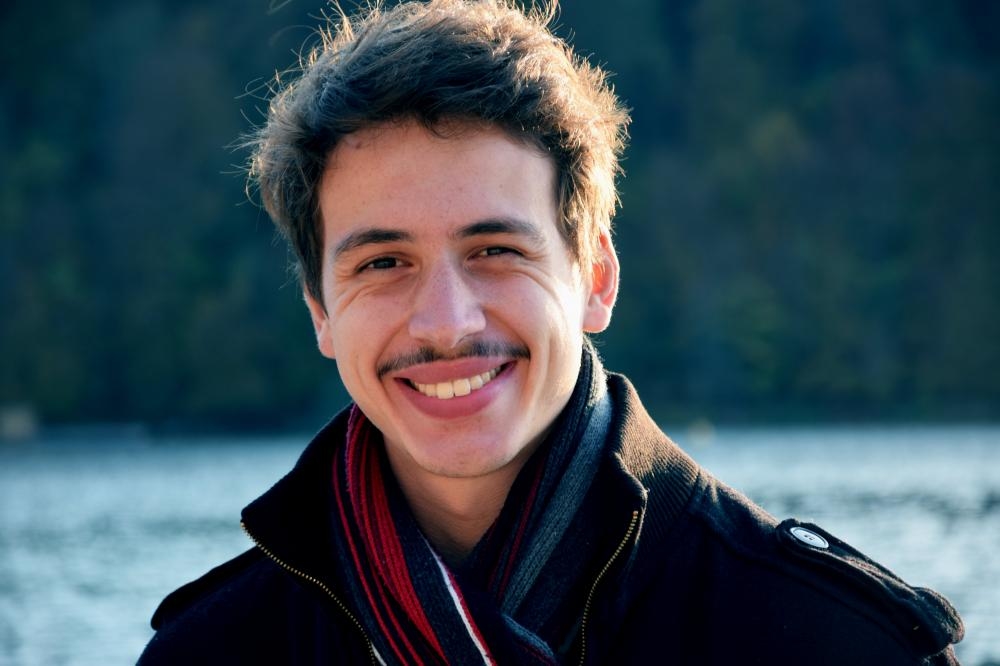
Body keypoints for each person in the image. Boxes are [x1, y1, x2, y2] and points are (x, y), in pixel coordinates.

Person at [139, 1, 964, 663]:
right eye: (384, 263)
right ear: (321, 310)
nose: (447, 323)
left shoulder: (836, 643)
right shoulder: (212, 652)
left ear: (595, 278)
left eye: (495, 251)